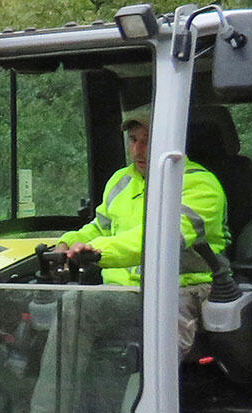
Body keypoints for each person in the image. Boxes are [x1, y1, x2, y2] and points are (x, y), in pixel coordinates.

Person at [53, 105, 229, 349]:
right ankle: (57, 388)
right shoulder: (121, 180)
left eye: (148, 140)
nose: (138, 150)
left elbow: (160, 239)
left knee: (159, 337)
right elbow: (99, 226)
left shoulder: (201, 186)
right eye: (133, 140)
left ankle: (156, 387)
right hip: (122, 292)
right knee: (71, 305)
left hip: (183, 291)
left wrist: (96, 250)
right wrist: (68, 242)